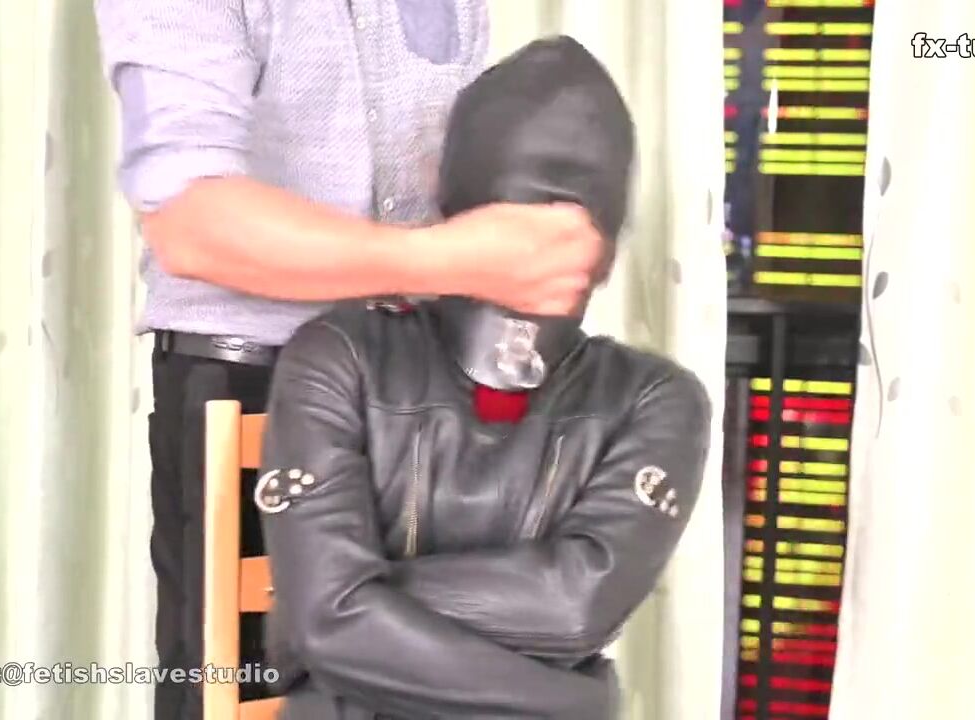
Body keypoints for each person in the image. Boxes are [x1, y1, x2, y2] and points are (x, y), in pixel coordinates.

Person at [92, 2, 606, 718]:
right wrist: (454, 259)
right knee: (252, 695)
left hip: (430, 390)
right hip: (254, 395)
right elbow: (190, 221)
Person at [255, 36, 712, 719]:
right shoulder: (339, 358)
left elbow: (574, 608)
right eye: (526, 212)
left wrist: (336, 611)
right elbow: (328, 619)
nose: (551, 243)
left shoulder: (653, 400)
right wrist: (575, 703)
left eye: (579, 216)